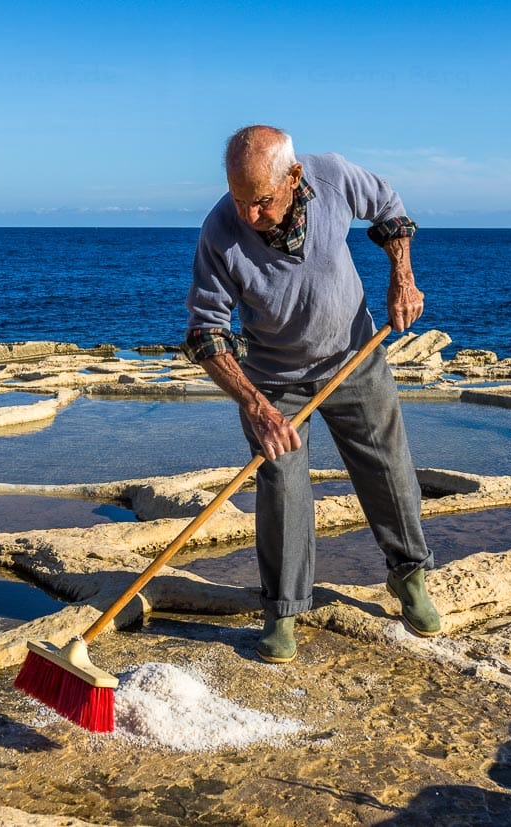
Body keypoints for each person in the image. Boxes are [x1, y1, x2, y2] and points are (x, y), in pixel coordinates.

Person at [183, 124, 440, 663]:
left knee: (389, 469)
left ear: (294, 176)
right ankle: (283, 610)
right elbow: (206, 332)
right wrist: (255, 406)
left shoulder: (333, 175)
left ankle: (409, 576)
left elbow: (389, 207)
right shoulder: (220, 232)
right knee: (281, 489)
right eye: (237, 199)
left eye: (261, 201)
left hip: (353, 357)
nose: (248, 215)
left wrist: (402, 276)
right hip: (274, 382)